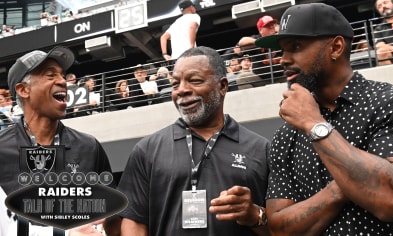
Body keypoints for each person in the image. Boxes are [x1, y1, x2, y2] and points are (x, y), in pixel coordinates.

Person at [255, 3, 393, 235]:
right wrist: (344, 186)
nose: (283, 59)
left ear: (336, 47)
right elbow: (280, 228)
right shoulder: (286, 134)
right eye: (282, 50)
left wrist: (314, 124)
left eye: (295, 46)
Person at [117, 46, 270, 236]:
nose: (181, 90)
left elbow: (285, 227)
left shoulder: (260, 149)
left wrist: (255, 215)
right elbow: (134, 222)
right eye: (175, 84)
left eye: (195, 81)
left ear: (222, 86)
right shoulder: (147, 150)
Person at [0, 46, 114, 235]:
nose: (62, 81)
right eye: (50, 75)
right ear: (23, 90)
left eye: (62, 75)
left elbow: (110, 213)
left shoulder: (88, 146)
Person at [235, 15, 282, 82]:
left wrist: (279, 32)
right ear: (260, 30)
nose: (271, 27)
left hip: (282, 76)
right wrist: (261, 43)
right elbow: (242, 41)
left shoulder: (280, 36)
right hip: (260, 79)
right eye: (268, 26)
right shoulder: (257, 38)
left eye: (273, 24)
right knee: (242, 78)